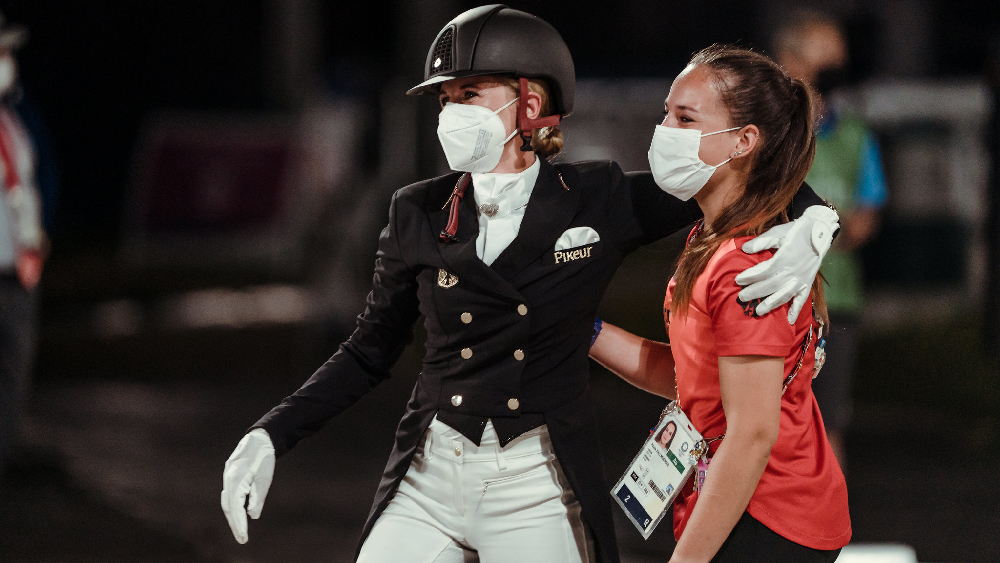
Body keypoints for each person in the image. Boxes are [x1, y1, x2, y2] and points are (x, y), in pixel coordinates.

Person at [220, 6, 840, 563]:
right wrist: (273, 430)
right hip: (430, 473)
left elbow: (740, 174)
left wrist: (814, 217)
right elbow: (369, 349)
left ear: (531, 104)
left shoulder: (596, 197)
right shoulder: (415, 211)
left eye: (470, 91)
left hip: (536, 479)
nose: (451, 109)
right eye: (444, 97)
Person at [590, 45, 851, 563]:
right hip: (747, 506)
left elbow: (752, 435)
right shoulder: (708, 238)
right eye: (667, 113)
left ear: (743, 141)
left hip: (767, 517)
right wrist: (583, 331)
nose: (665, 130)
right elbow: (695, 380)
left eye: (685, 118)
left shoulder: (747, 263)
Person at [774, 11, 888, 468]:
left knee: (828, 422)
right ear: (790, 60)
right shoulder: (772, 133)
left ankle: (827, 532)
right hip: (775, 296)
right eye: (827, 58)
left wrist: (813, 224)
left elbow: (864, 219)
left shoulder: (855, 135)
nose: (837, 69)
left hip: (835, 299)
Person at [0, 12, 44, 481]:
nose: (7, 61)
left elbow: (24, 191)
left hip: (17, 280)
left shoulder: (11, 123)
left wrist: (34, 242)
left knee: (11, 389)